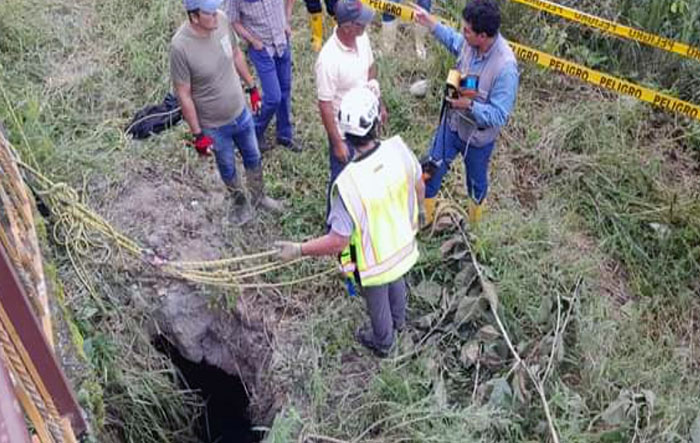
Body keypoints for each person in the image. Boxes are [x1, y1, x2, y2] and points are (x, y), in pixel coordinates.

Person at [275, 87, 425, 357]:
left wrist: (299, 249)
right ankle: (400, 322)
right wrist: (419, 214)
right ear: (377, 122)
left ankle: (384, 342)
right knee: (398, 280)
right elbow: (418, 185)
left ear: (345, 135)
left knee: (377, 299)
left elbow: (339, 240)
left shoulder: (348, 185)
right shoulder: (399, 150)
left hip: (374, 265)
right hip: (404, 246)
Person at [170, 0, 283, 225]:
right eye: (208, 13)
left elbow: (236, 54)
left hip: (240, 113)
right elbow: (184, 94)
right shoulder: (180, 47)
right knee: (228, 166)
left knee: (253, 155)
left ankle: (259, 197)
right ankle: (240, 203)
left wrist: (252, 88)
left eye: (215, 9)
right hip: (214, 125)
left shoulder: (221, 20)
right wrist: (198, 134)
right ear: (194, 17)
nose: (214, 15)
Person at [414, 0, 519, 224]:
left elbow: (499, 115)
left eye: (467, 31)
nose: (464, 33)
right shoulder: (470, 44)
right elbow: (455, 41)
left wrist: (469, 105)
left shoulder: (505, 68)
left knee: (476, 184)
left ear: (483, 36)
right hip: (451, 126)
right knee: (431, 170)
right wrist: (430, 23)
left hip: (478, 139)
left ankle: (475, 228)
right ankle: (425, 221)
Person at [315, 0, 387, 214]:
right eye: (361, 22)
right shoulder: (328, 60)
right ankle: (333, 225)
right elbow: (325, 105)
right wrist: (337, 143)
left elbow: (371, 69)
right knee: (341, 181)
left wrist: (379, 104)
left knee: (366, 172)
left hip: (367, 123)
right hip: (345, 131)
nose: (366, 25)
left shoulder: (362, 38)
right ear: (347, 27)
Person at [227, 0, 302, 153]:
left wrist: (286, 21)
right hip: (261, 49)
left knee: (285, 91)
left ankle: (284, 135)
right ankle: (254, 131)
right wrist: (253, 41)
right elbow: (234, 21)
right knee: (274, 97)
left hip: (282, 42)